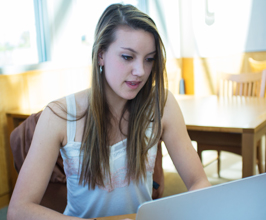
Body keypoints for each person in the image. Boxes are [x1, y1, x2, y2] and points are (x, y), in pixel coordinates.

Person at [7, 3, 211, 220]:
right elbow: (18, 210)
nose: (141, 71)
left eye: (149, 59)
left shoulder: (161, 104)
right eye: (127, 57)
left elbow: (200, 182)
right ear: (101, 54)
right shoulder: (59, 115)